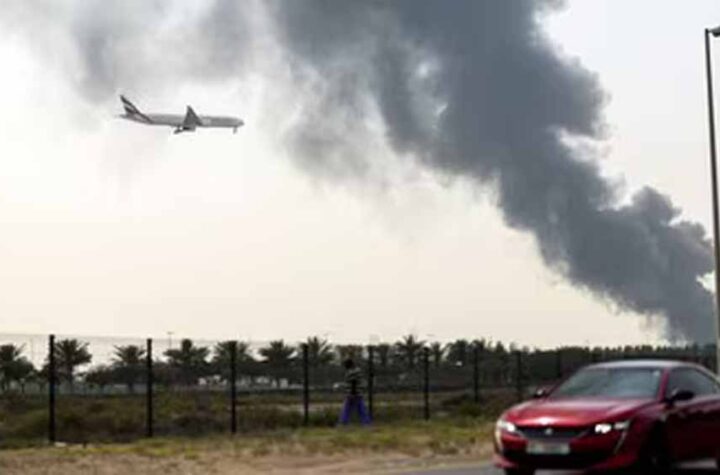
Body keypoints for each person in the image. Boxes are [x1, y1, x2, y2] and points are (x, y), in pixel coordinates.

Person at [338, 358, 371, 425]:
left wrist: (352, 393)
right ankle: (366, 422)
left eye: (345, 365)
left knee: (347, 408)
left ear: (349, 365)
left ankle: (344, 422)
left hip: (353, 392)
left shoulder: (352, 372)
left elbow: (353, 382)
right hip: (358, 392)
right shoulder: (357, 371)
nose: (345, 366)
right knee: (360, 408)